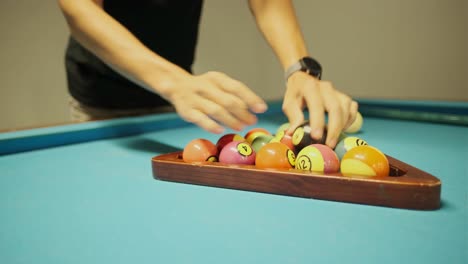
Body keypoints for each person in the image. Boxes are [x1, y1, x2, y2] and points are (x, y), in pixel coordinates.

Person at [58, 0, 358, 148]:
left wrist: (301, 70)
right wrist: (173, 82)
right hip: (100, 98)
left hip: (179, 100)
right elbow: (79, 8)